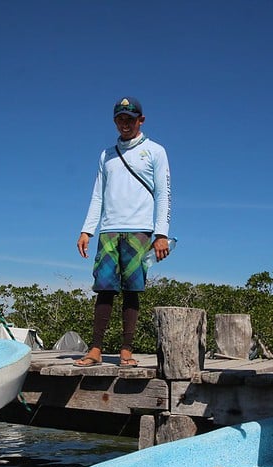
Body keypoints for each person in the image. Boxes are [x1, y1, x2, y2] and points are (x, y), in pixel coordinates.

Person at [75, 97, 172, 368]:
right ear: (115, 121)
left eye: (130, 118)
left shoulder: (155, 151)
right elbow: (98, 195)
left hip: (139, 229)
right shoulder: (106, 154)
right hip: (108, 229)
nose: (125, 123)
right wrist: (87, 230)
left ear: (141, 120)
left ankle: (126, 350)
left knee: (132, 290)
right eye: (120, 118)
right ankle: (95, 348)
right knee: (104, 289)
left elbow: (164, 194)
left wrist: (161, 233)